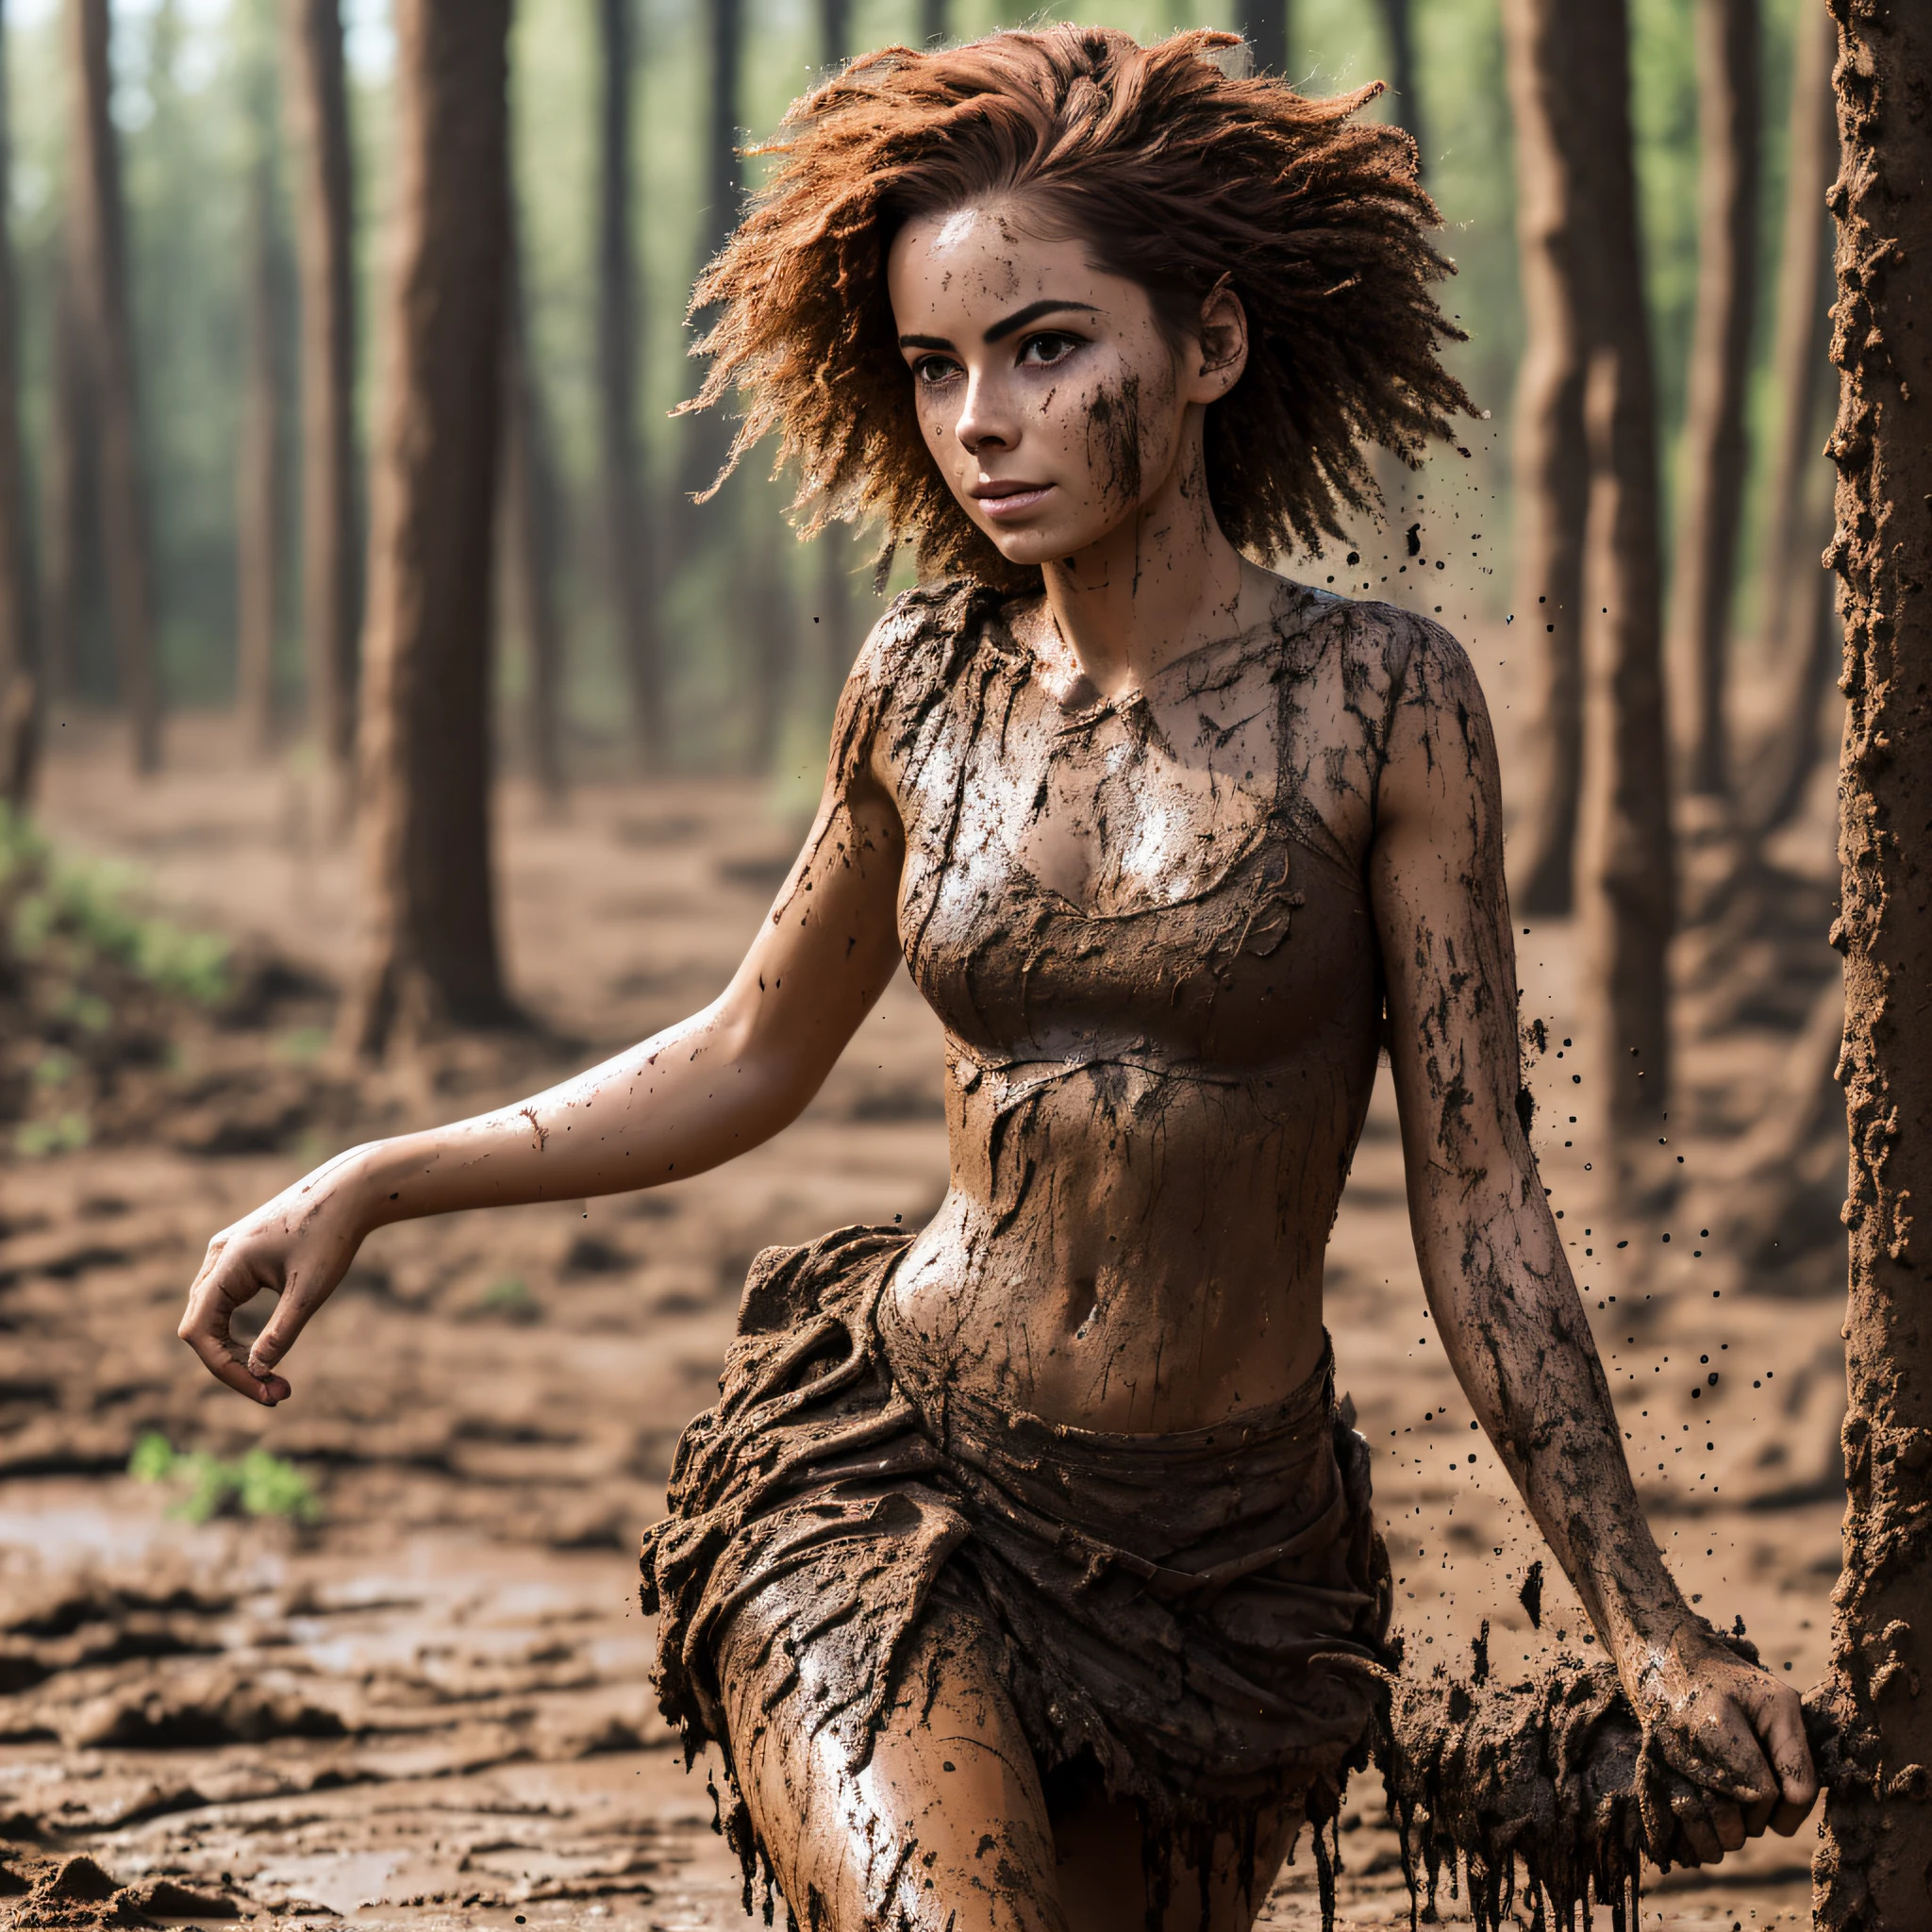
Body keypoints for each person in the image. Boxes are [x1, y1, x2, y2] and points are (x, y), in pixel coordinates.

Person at [178, 27, 1817, 1932]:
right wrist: (365, 1175)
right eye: (936, 367)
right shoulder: (918, 687)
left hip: (1233, 1571)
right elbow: (738, 1052)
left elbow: (1483, 1201)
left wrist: (1650, 1625)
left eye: (1046, 347)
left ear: (1205, 347)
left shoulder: (1385, 704)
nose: (979, 419)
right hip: (897, 1482)